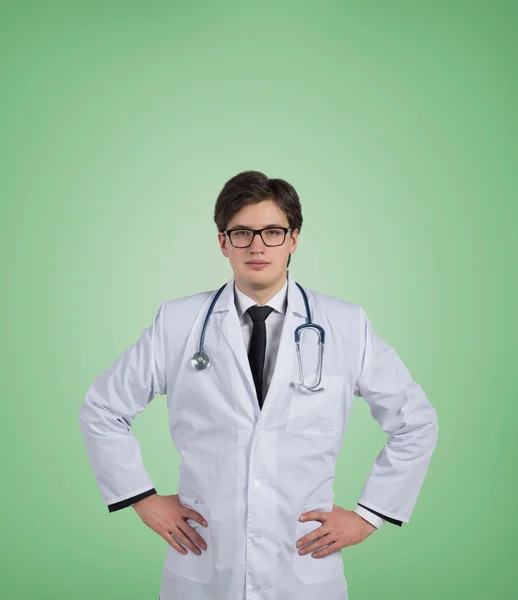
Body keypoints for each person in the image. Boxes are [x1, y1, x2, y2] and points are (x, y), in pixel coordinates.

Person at [79, 170, 439, 600]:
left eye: (272, 231)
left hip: (303, 569)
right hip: (205, 565)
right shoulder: (177, 323)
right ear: (222, 242)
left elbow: (415, 422)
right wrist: (142, 498)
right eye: (242, 232)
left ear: (293, 239)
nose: (257, 246)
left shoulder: (345, 325)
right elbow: (102, 409)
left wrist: (369, 515)